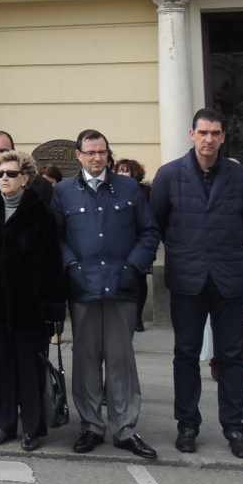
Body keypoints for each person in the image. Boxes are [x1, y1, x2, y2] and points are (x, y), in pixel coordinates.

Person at [150, 107, 243, 460]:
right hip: (187, 278)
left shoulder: (240, 177)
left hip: (229, 277)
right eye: (203, 133)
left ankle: (234, 426)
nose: (209, 139)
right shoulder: (169, 175)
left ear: (224, 136)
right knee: (185, 355)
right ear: (191, 135)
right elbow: (158, 223)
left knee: (231, 356)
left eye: (215, 133)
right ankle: (187, 424)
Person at [54, 131, 159, 459]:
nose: (97, 158)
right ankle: (91, 426)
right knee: (85, 359)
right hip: (83, 288)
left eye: (102, 152)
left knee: (120, 360)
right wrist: (71, 266)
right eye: (90, 152)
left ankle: (125, 428)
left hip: (121, 288)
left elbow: (150, 232)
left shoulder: (130, 189)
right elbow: (55, 238)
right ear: (78, 155)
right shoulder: (63, 192)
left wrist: (133, 267)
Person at [0, 149, 63, 452]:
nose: (4, 178)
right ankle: (3, 424)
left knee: (29, 371)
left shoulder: (40, 213)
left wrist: (54, 309)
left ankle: (32, 428)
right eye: (0, 173)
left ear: (26, 178)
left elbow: (53, 265)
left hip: (29, 308)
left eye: (11, 174)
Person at [114, 158, 151, 330]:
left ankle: (137, 316)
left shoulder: (144, 191)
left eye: (125, 170)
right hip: (119, 241)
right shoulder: (112, 189)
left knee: (140, 279)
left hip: (139, 242)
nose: (122, 173)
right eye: (119, 170)